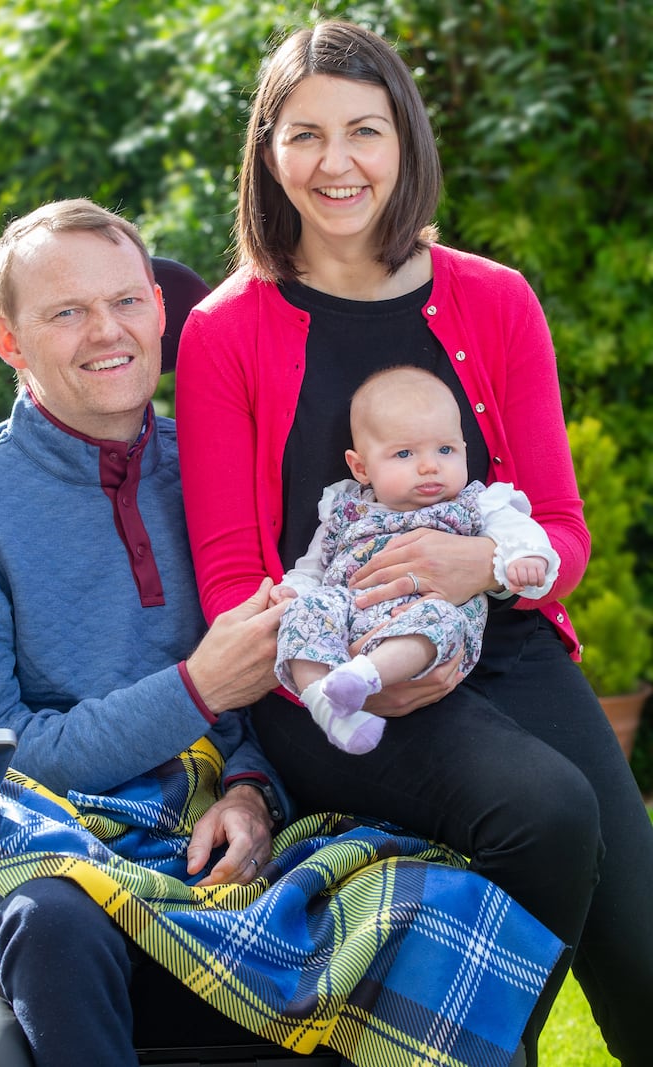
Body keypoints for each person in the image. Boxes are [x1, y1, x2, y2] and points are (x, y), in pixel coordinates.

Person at [175, 20, 653, 1067]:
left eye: (363, 131)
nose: (335, 164)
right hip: (328, 676)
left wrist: (477, 564)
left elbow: (561, 536)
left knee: (645, 947)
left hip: (503, 641)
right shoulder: (221, 329)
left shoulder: (493, 298)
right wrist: (332, 673)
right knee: (543, 808)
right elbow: (227, 576)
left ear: (405, 143)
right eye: (303, 136)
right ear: (266, 151)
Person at [0, 198, 292, 1066]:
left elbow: (282, 686)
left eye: (126, 300)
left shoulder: (219, 464)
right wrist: (195, 690)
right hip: (54, 841)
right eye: (66, 311)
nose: (106, 331)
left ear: (160, 312)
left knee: (430, 900)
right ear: (9, 341)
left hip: (211, 824)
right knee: (56, 919)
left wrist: (252, 794)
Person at [273, 365, 559, 755]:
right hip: (349, 613)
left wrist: (524, 558)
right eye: (404, 453)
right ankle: (325, 704)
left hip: (425, 615)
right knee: (303, 611)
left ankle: (364, 676)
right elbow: (313, 568)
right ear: (361, 467)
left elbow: (524, 536)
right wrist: (293, 591)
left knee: (440, 618)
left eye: (445, 450)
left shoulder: (478, 502)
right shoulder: (344, 507)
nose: (429, 466)